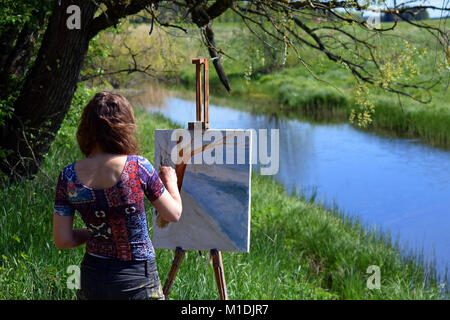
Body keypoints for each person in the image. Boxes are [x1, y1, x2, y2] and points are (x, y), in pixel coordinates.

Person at [52, 91, 182, 300]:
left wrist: (98, 232)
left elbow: (63, 240)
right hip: (137, 277)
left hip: (91, 276)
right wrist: (171, 182)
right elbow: (173, 213)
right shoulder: (138, 167)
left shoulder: (68, 176)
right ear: (125, 127)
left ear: (86, 128)